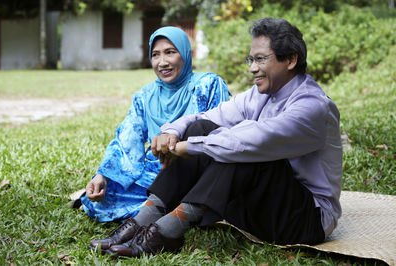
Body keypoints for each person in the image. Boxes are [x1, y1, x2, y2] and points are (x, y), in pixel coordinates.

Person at [91, 17, 342, 257]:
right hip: (258, 207)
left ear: (290, 60)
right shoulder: (261, 94)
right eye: (250, 59)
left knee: (244, 148)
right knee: (201, 126)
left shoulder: (312, 106)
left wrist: (188, 147)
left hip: (304, 218)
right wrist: (172, 132)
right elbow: (211, 116)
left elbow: (253, 142)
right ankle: (145, 217)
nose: (253, 68)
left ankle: (169, 230)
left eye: (261, 59)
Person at [80, 26, 230, 228]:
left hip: (194, 170)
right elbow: (127, 140)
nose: (162, 62)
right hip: (155, 173)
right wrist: (102, 175)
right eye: (155, 55)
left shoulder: (208, 84)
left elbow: (221, 133)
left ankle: (176, 206)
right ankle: (172, 208)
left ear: (185, 53)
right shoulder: (145, 96)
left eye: (170, 52)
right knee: (103, 195)